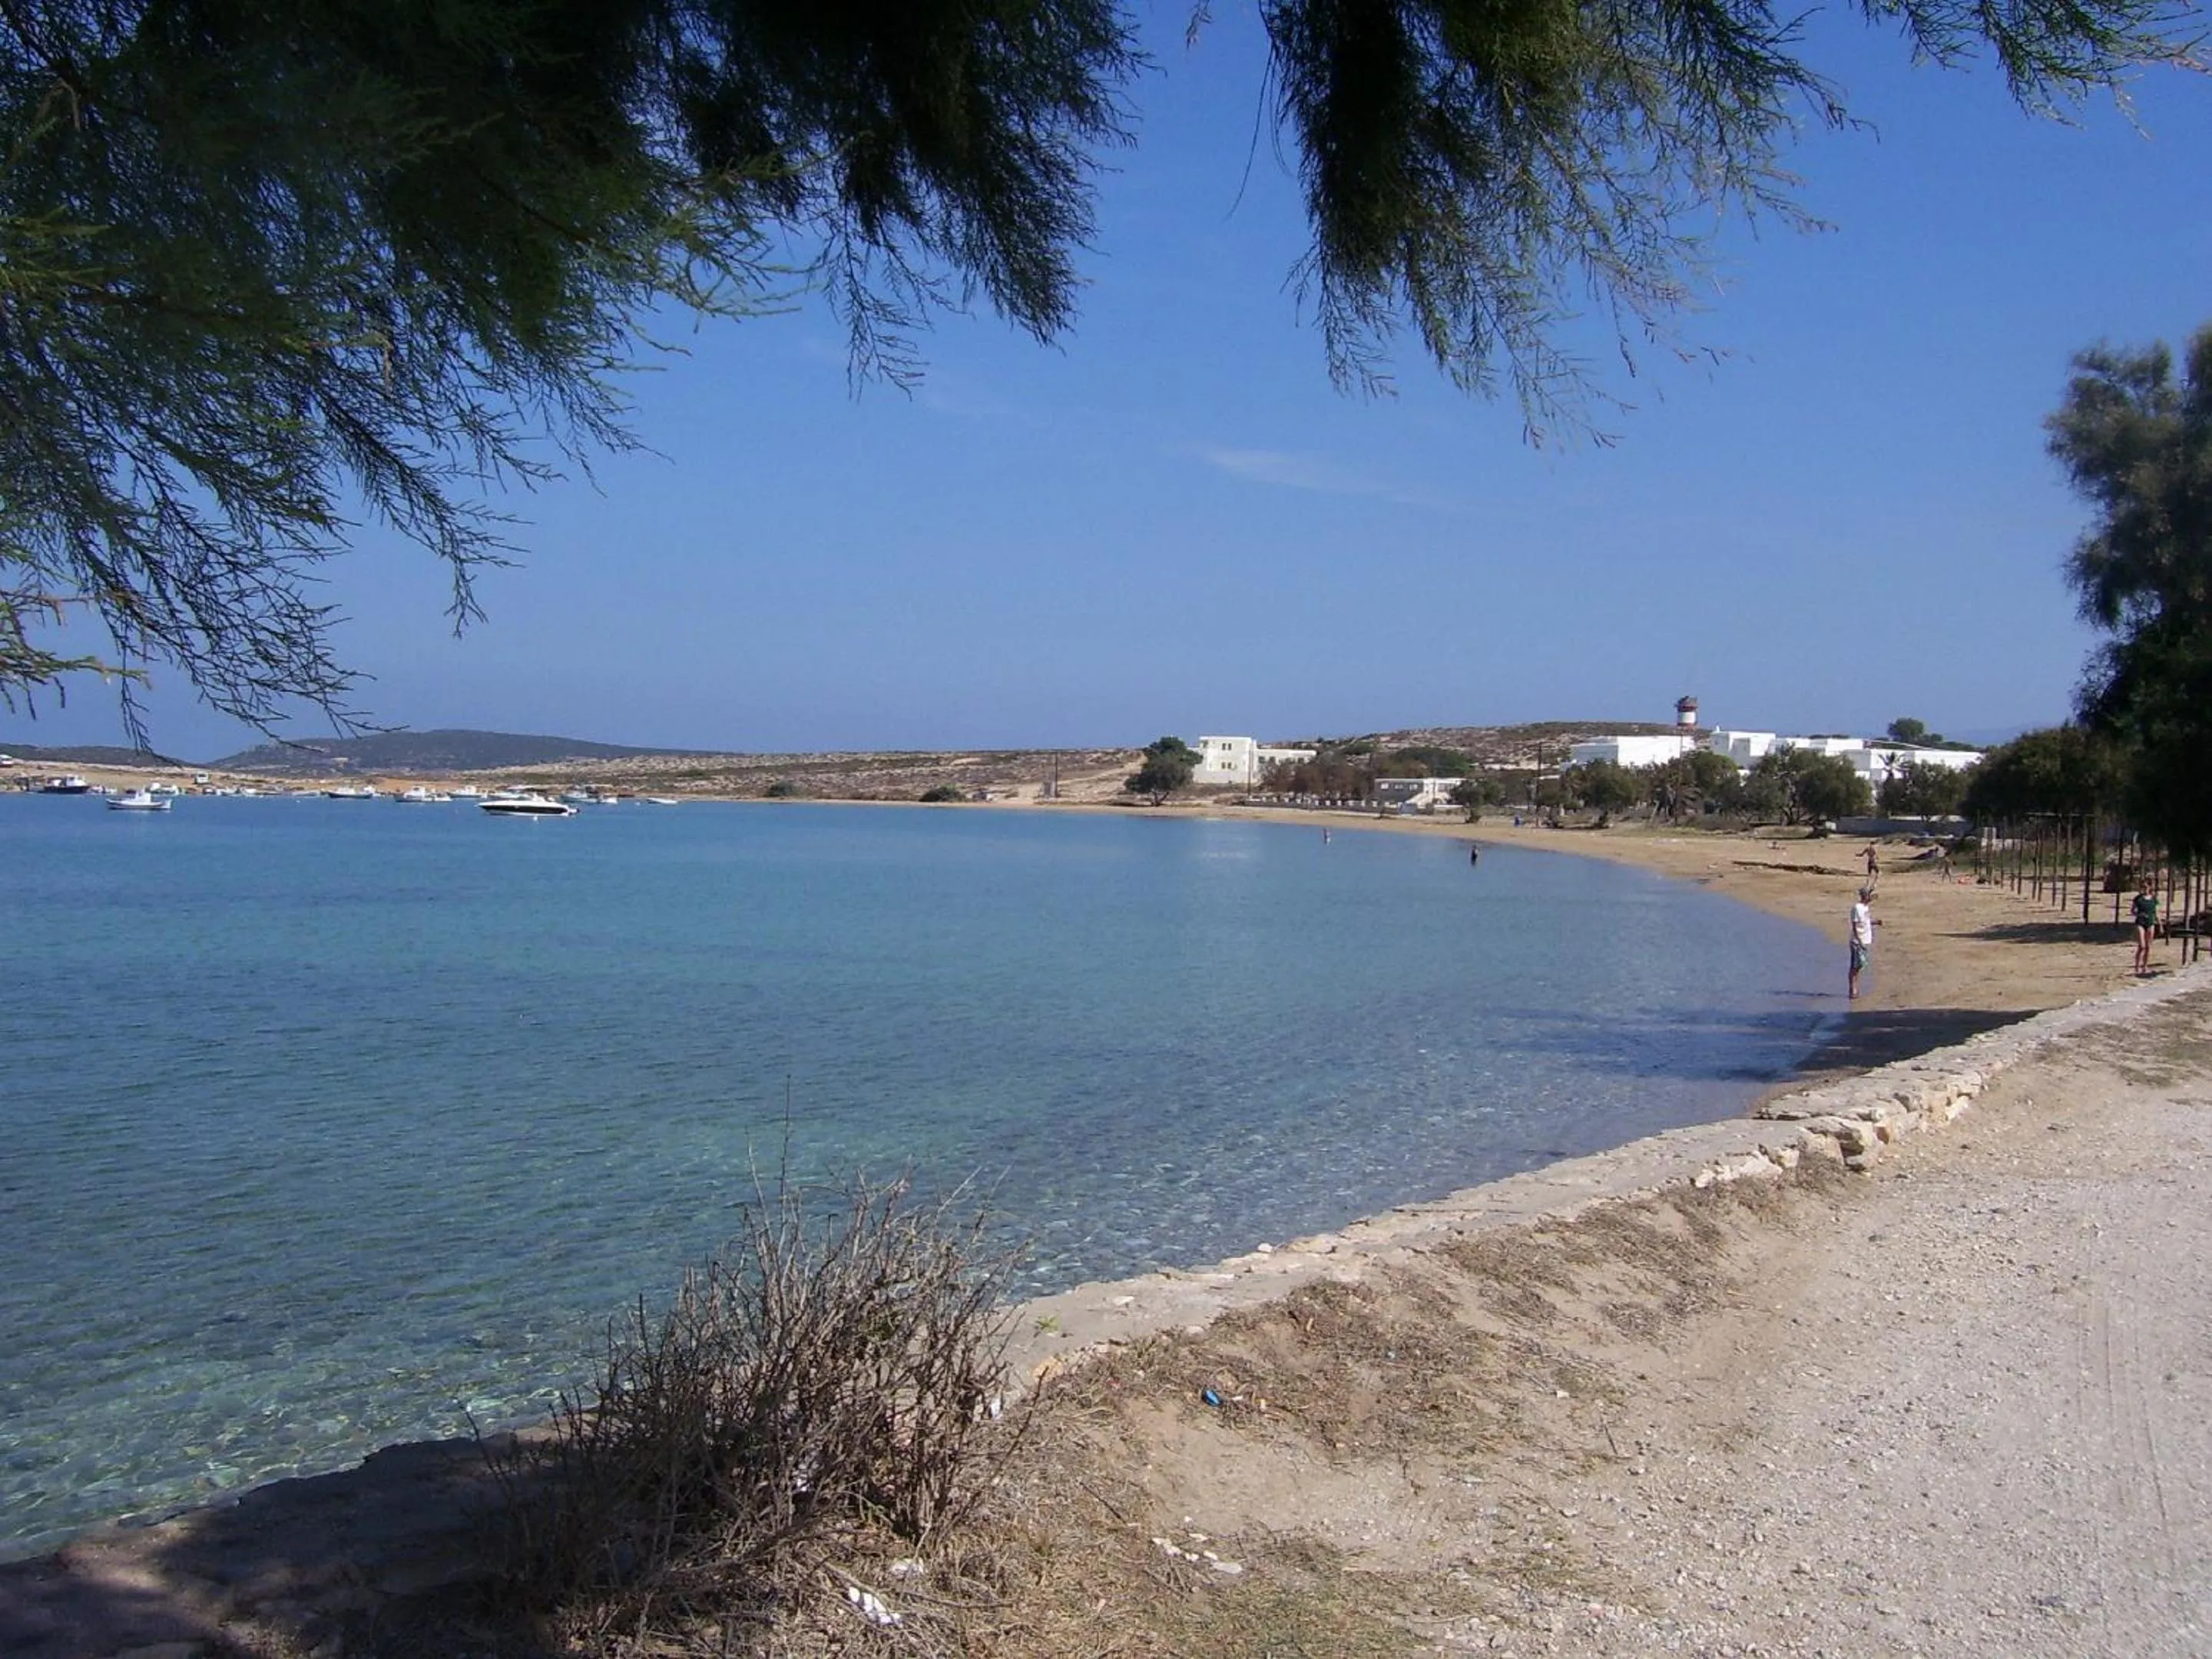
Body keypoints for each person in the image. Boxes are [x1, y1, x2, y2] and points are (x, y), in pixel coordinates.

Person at [1848, 886, 1879, 1000]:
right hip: (1858, 942)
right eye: (1869, 896)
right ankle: (1853, 990)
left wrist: (1874, 922)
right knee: (1855, 966)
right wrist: (1859, 941)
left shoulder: (1865, 908)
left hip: (1865, 941)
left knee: (1860, 966)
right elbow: (1855, 926)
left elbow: (1865, 921)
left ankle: (1855, 988)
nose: (1870, 898)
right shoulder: (1857, 908)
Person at [2132, 879, 2160, 977]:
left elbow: (2156, 912)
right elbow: (2133, 910)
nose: (2144, 889)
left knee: (2148, 946)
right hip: (2140, 922)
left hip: (2150, 922)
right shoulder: (2138, 899)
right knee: (2142, 946)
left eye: (2146, 887)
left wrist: (2160, 924)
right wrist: (2139, 914)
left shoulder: (2153, 899)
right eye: (2143, 887)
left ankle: (2145, 966)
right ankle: (2137, 965)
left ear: (2150, 887)